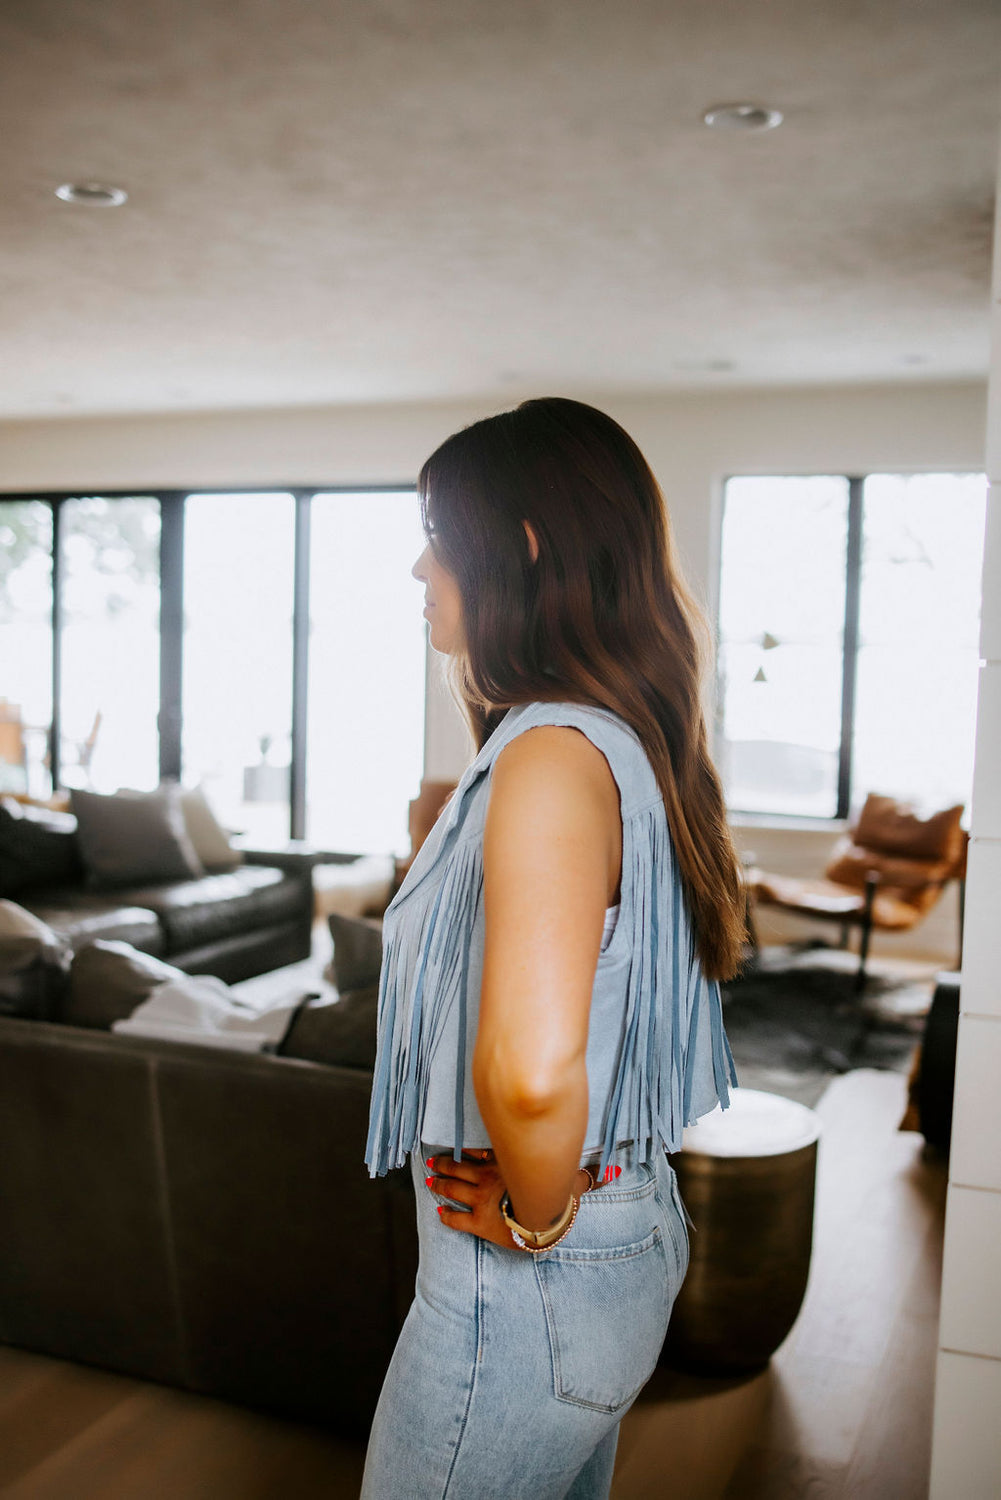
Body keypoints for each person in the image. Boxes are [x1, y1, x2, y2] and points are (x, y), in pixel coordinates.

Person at [360, 397, 744, 1500]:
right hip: (610, 1239)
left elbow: (530, 1074)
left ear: (518, 545)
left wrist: (539, 1221)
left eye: (439, 532)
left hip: (529, 1275)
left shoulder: (547, 756)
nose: (418, 565)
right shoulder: (617, 739)